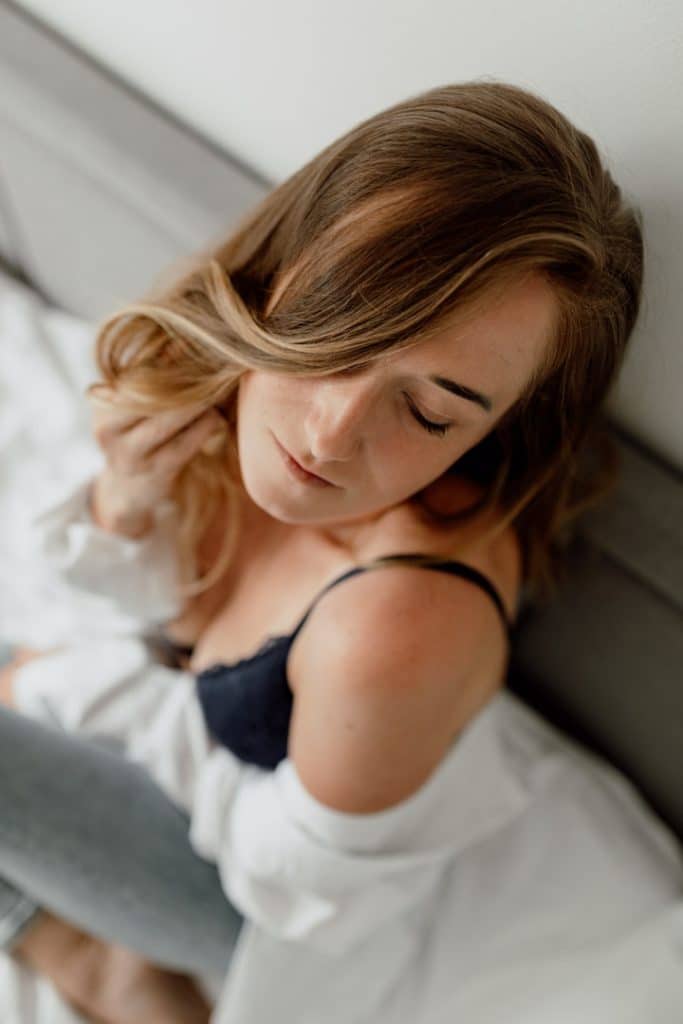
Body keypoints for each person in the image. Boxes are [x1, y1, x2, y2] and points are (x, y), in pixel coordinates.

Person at [2, 80, 680, 1024]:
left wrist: (74, 687)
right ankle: (55, 936)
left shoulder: (399, 619)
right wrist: (127, 499)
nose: (329, 434)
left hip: (258, 907)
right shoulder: (229, 380)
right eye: (344, 326)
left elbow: (290, 887)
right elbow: (147, 618)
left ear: (495, 432)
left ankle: (93, 959)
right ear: (290, 262)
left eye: (429, 411)